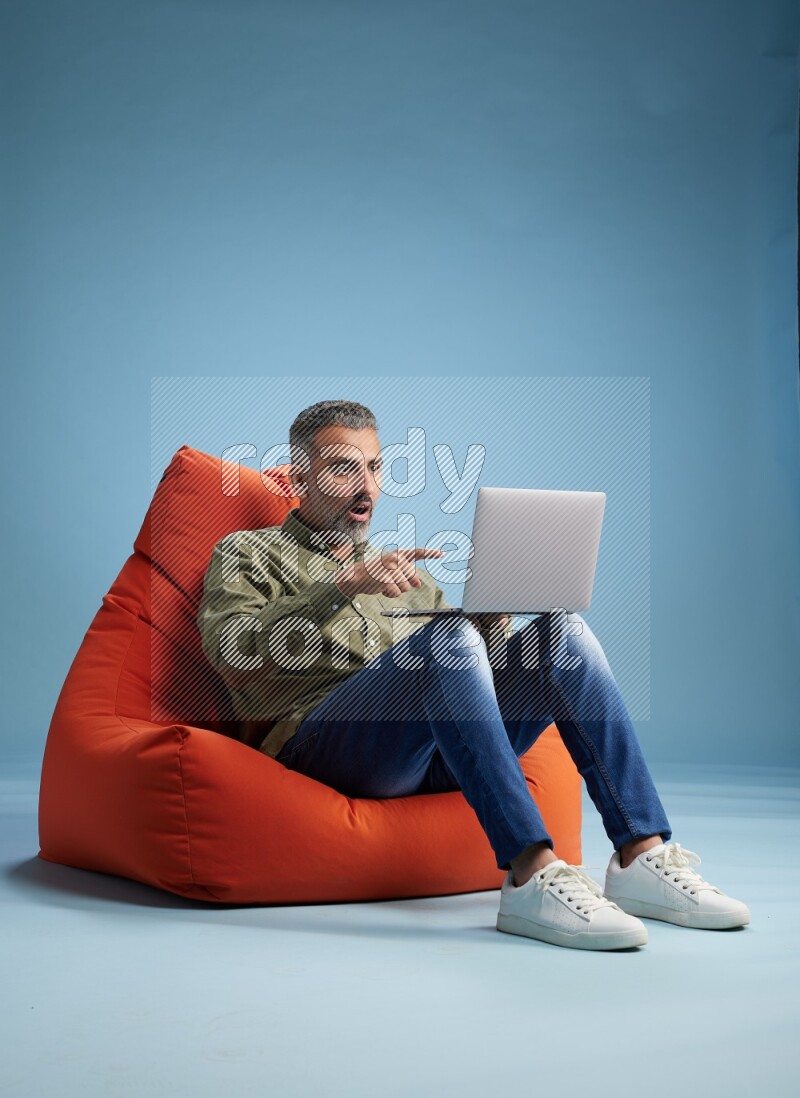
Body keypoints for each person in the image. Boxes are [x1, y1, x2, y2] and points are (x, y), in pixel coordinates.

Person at [198, 399, 750, 951]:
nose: (367, 487)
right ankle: (531, 872)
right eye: (344, 469)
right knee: (446, 639)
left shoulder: (409, 576)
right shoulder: (248, 553)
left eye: (375, 467)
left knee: (563, 633)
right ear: (300, 477)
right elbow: (233, 654)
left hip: (436, 753)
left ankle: (641, 855)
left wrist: (494, 619)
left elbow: (471, 680)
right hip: (324, 746)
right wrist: (343, 587)